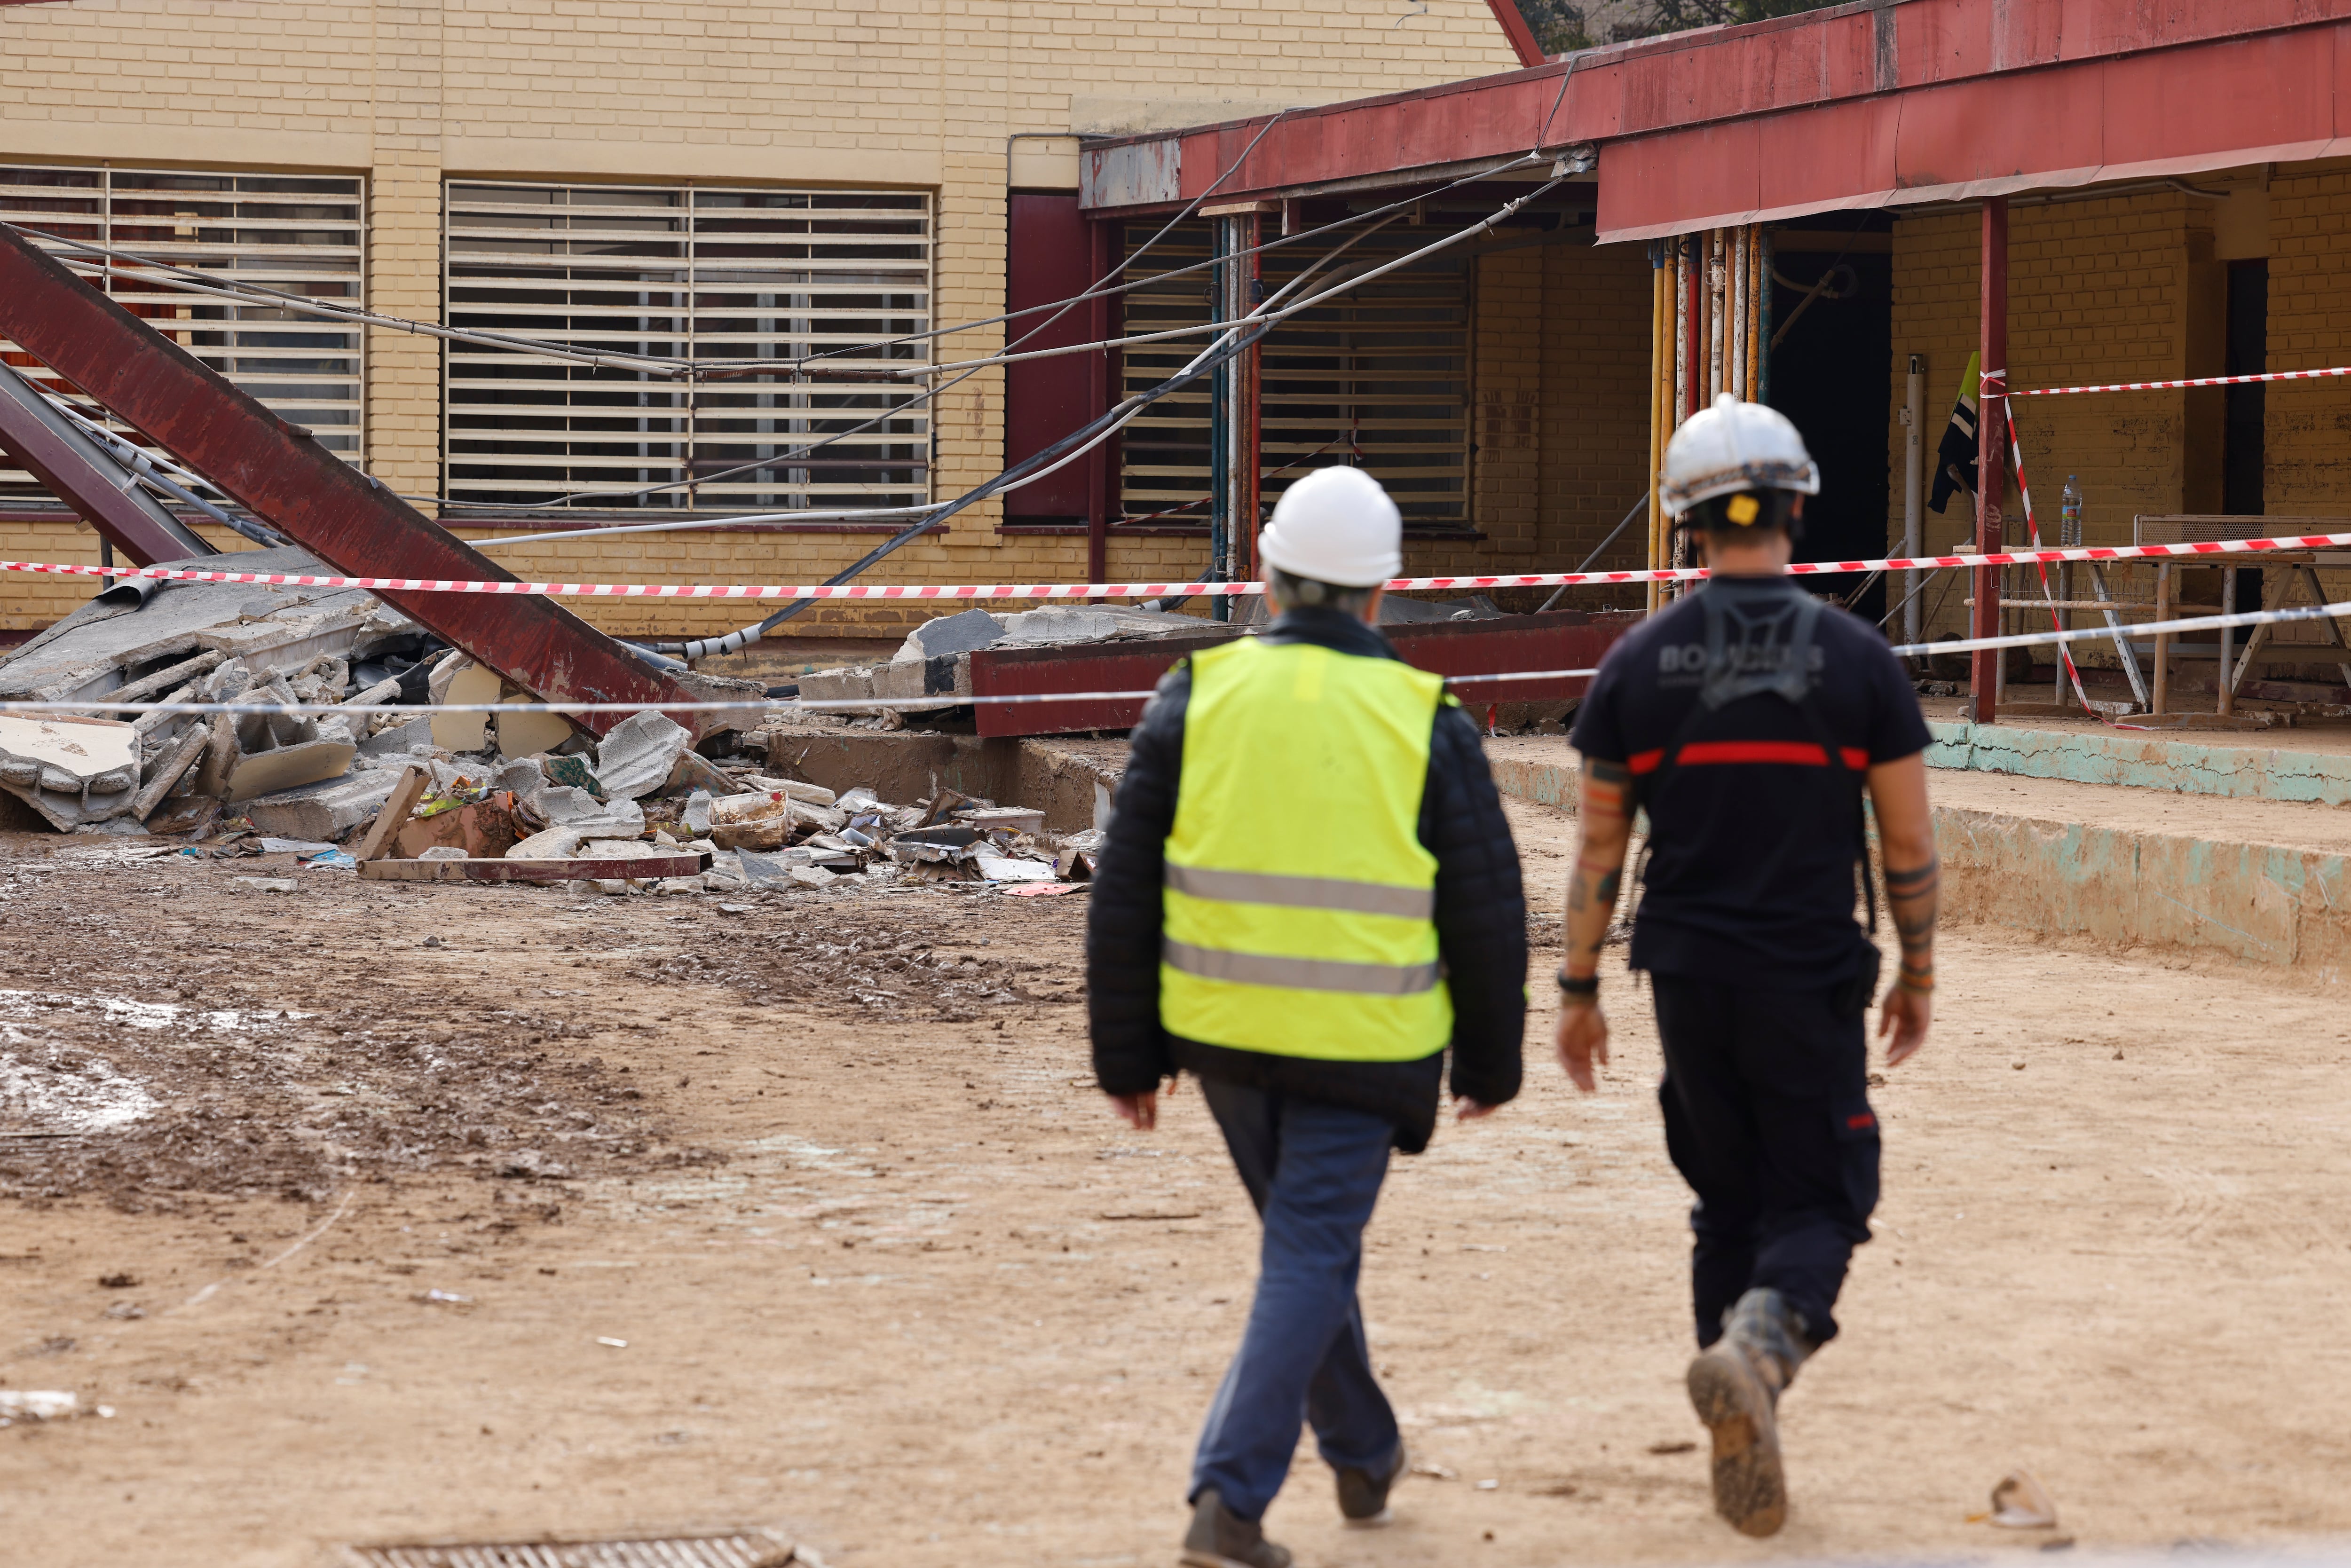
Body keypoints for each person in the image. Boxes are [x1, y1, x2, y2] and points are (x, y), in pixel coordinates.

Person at [1087, 465, 1528, 1568]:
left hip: (1224, 1037)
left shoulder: (1195, 693)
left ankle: (1365, 1449)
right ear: (1382, 596)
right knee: (1309, 1254)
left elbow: (1124, 887)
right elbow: (1483, 907)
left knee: (1305, 1252)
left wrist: (1126, 1052)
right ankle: (1228, 1500)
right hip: (1365, 1046)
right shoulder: (1425, 718)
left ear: (1269, 580)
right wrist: (1490, 1059)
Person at [1554, 394, 1940, 1537]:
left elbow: (1598, 852)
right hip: (1808, 974)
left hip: (1684, 975)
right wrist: (1919, 972)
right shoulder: (1857, 661)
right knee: (1822, 1195)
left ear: (1685, 525)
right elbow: (1907, 845)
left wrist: (1575, 991)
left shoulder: (1638, 665)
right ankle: (1759, 1360)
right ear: (1798, 505)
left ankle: (1737, 1393)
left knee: (1725, 1203)